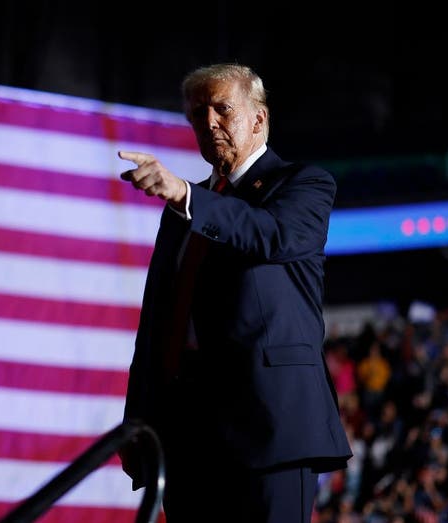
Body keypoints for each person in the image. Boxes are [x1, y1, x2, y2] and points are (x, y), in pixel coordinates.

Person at [117, 63, 352, 522]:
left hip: (270, 431)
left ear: (259, 118)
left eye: (223, 109)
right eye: (197, 114)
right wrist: (138, 419)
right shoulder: (183, 208)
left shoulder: (303, 185)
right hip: (186, 437)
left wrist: (187, 195)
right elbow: (159, 323)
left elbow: (269, 233)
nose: (209, 123)